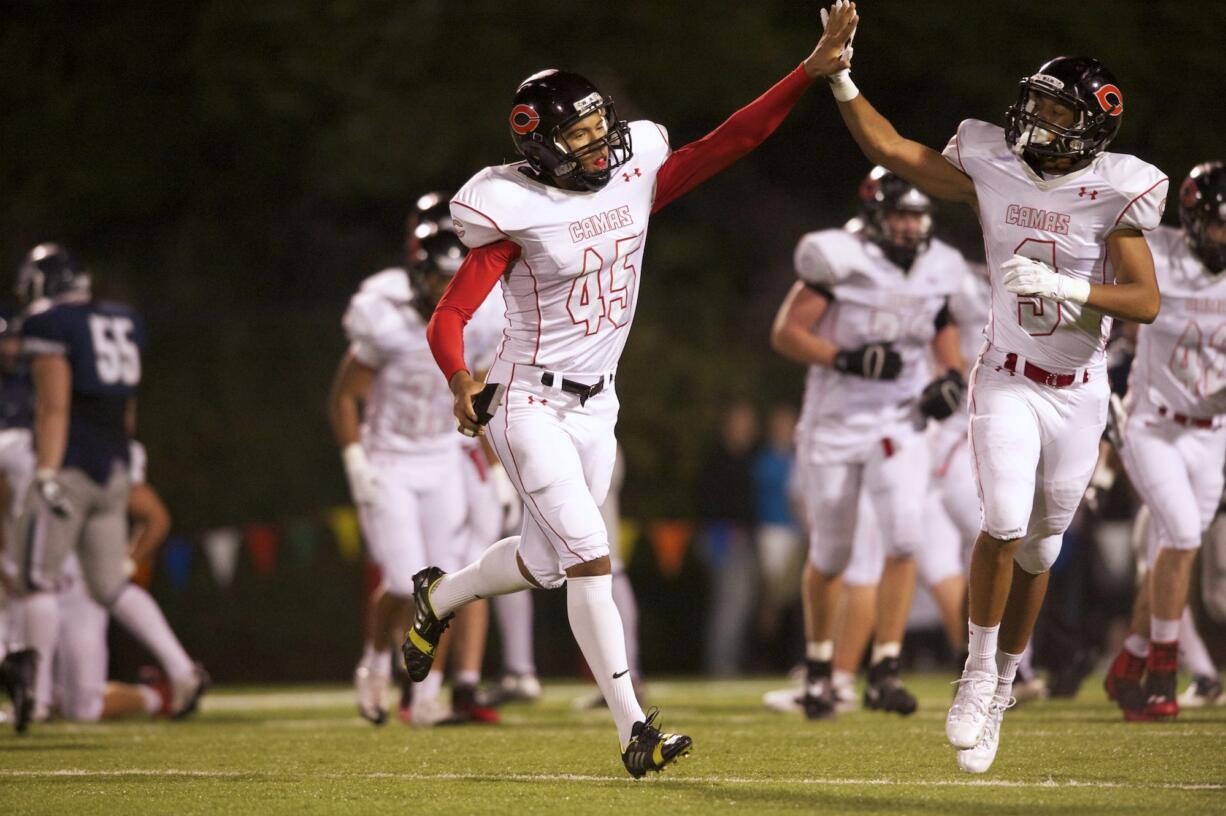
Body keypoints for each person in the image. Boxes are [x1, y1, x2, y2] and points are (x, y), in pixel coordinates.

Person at [405, 6, 861, 778]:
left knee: (550, 564)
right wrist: (459, 379)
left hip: (599, 404)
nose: (597, 143)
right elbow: (451, 313)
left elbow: (731, 141)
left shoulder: (633, 172)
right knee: (590, 558)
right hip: (527, 403)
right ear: (539, 147)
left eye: (596, 126)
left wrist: (807, 73)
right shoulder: (511, 210)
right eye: (576, 135)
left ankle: (441, 596)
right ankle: (635, 729)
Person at [814, 3, 1167, 772]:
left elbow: (1145, 301)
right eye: (1036, 101)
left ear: (1089, 128)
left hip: (1078, 389)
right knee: (1003, 522)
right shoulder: (993, 165)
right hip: (1006, 374)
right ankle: (976, 671)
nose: (1035, 117)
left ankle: (1006, 679)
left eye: (1054, 109)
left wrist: (1065, 287)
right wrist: (840, 76)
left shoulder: (1119, 190)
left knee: (1041, 548)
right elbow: (894, 149)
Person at [769, 166, 967, 719]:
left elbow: (941, 322)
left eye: (916, 216)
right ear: (877, 214)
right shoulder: (840, 258)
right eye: (900, 214)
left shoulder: (939, 267)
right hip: (835, 422)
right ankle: (819, 667)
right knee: (832, 552)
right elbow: (786, 331)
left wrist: (948, 375)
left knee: (905, 539)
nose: (909, 226)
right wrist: (845, 358)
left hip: (898, 420)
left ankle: (885, 666)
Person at [5, 244, 208, 729]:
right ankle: (182, 672)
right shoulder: (122, 319)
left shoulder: (50, 323)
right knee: (111, 585)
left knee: (37, 581)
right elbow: (125, 405)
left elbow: (53, 407)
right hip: (115, 465)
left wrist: (48, 472)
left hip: (72, 466)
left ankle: (31, 698)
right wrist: (127, 456)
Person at [329, 193, 503, 726]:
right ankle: (375, 660)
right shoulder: (386, 318)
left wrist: (497, 470)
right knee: (406, 582)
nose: (445, 292)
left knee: (445, 586)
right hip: (391, 463)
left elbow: (477, 395)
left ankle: (426, 698)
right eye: (436, 280)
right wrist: (356, 460)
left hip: (444, 460)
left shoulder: (475, 320)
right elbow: (343, 396)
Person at [1105, 161, 1226, 720]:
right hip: (1152, 423)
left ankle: (1127, 661)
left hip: (1213, 432)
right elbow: (1111, 308)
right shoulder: (1160, 253)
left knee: (1170, 555)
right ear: (1196, 220)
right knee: (1178, 536)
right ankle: (1161, 670)